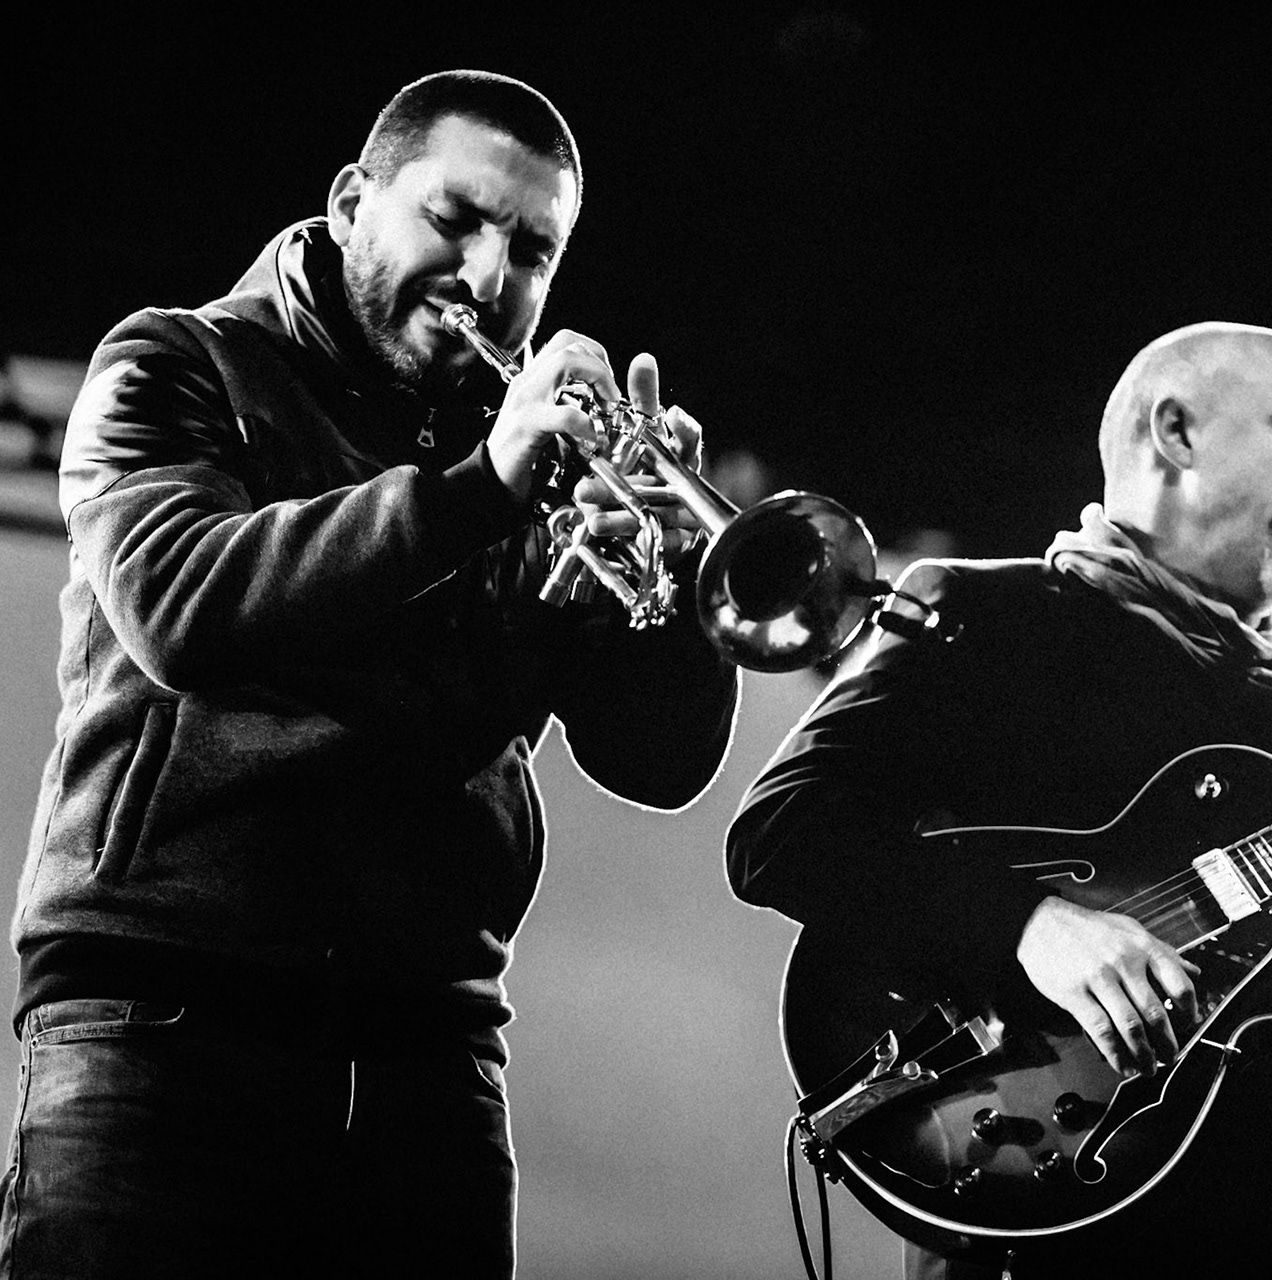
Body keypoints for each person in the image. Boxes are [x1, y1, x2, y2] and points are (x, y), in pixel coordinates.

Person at [3, 71, 739, 1278]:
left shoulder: (531, 462)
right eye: (455, 221)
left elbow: (658, 764)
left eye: (532, 250)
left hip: (429, 1055)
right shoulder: (177, 363)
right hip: (161, 1029)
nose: (490, 280)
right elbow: (186, 609)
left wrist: (669, 579)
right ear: (354, 202)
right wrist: (477, 495)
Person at [726, 322, 1272, 1278]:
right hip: (1038, 1228)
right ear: (1177, 432)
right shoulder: (983, 618)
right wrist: (1030, 925)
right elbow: (783, 828)